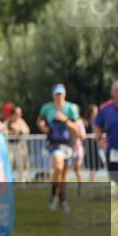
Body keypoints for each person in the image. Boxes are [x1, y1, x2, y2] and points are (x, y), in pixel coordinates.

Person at [37, 84, 83, 213]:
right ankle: (54, 196)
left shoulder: (71, 108)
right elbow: (40, 120)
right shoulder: (47, 108)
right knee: (58, 166)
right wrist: (42, 126)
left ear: (65, 94)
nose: (59, 96)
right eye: (56, 94)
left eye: (61, 93)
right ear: (53, 95)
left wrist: (65, 119)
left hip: (68, 144)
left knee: (63, 175)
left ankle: (62, 200)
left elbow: (77, 129)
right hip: (54, 143)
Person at [94, 80, 118, 226]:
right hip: (114, 153)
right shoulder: (105, 109)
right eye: (116, 90)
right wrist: (99, 140)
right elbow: (97, 125)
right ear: (112, 93)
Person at [3, 102, 31, 181]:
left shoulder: (21, 122)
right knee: (8, 164)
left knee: (21, 165)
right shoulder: (7, 122)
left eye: (20, 113)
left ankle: (22, 182)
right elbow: (2, 131)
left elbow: (27, 131)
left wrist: (19, 130)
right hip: (9, 146)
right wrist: (9, 132)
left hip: (20, 146)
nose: (19, 115)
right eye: (17, 113)